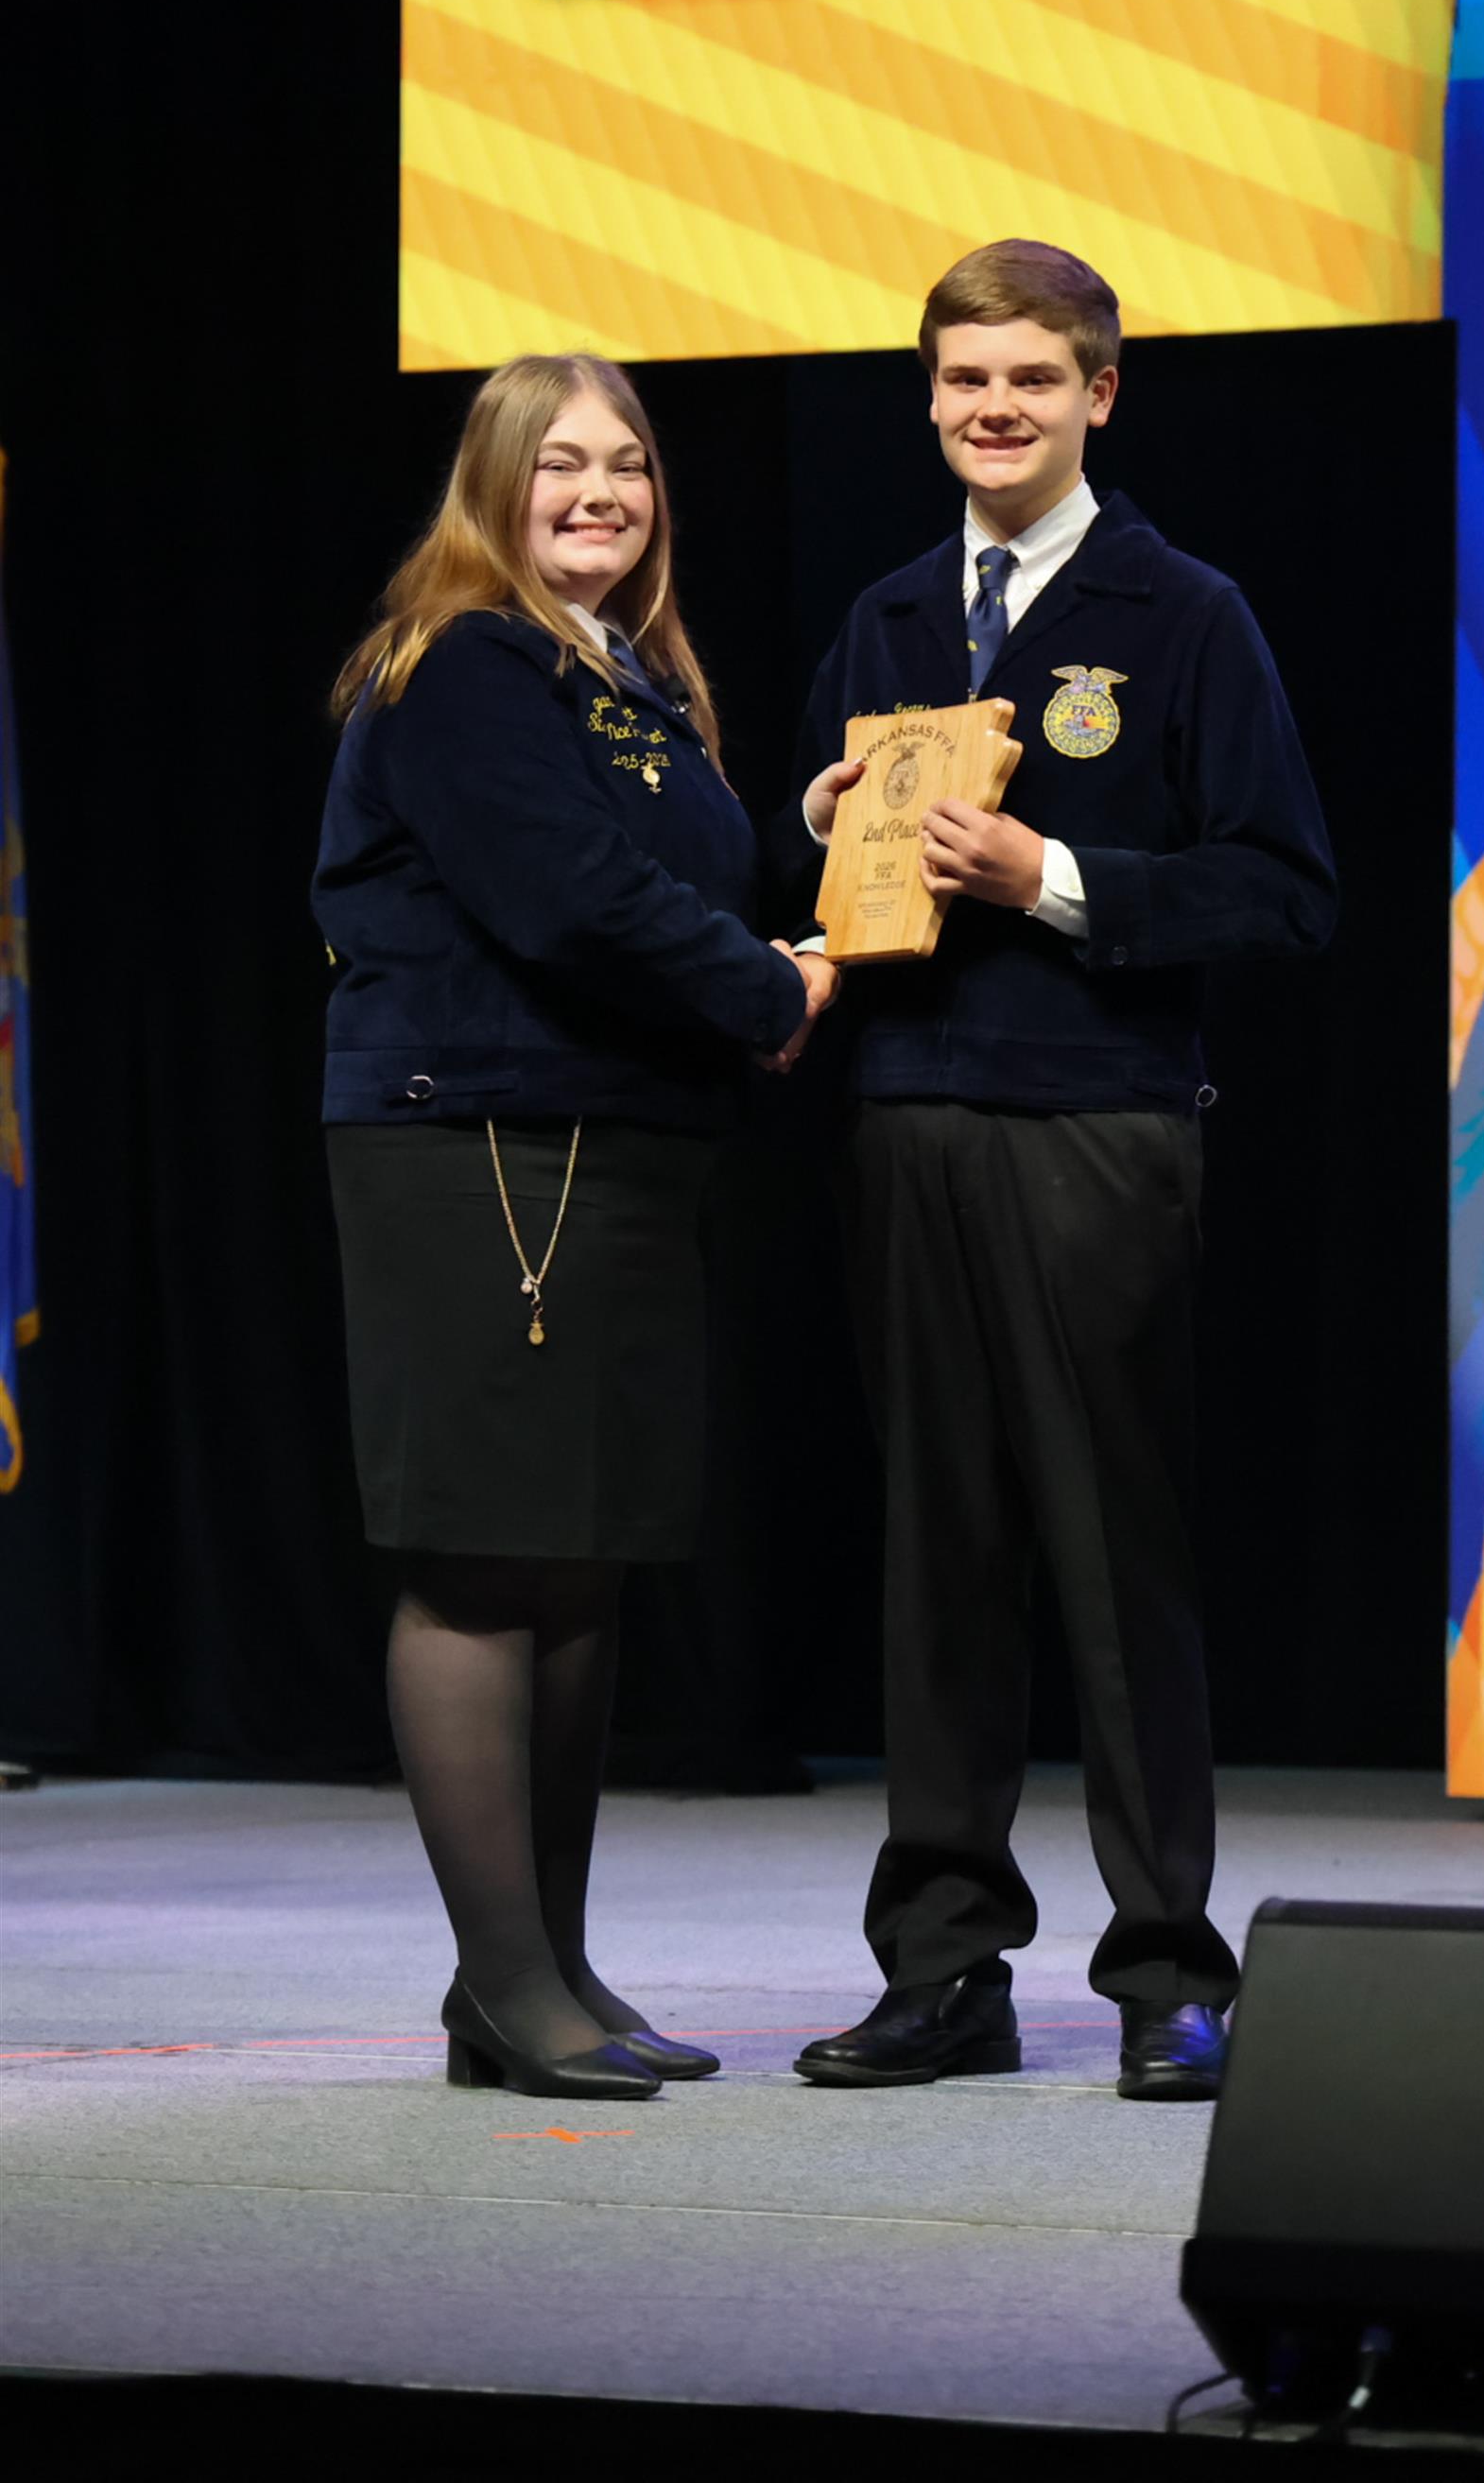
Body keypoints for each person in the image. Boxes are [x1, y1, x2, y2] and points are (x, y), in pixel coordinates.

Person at [785, 240, 1337, 2097]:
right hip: (906, 1117)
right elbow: (820, 885)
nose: (994, 408)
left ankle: (1168, 1970)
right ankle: (944, 1967)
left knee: (1115, 1557)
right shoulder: (883, 617)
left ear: (1101, 392)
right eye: (964, 379)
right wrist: (813, 830)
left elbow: (1285, 888)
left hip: (1097, 1125)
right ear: (929, 398)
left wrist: (1056, 880)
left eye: (1031, 377)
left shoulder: (1181, 611)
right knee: (935, 1554)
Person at [315, 353, 836, 2102]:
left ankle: (554, 1969)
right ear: (493, 484)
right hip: (472, 1140)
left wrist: (796, 848)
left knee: (579, 1559)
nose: (601, 491)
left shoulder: (626, 675)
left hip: (613, 1146)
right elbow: (566, 896)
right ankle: (504, 1981)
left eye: (627, 464)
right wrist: (765, 986)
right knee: (482, 1555)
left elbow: (664, 875)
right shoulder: (466, 661)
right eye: (560, 464)